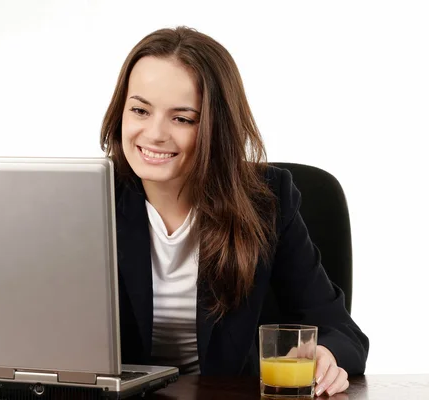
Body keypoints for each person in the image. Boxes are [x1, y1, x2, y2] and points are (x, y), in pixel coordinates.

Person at [99, 26, 369, 397]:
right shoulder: (90, 199)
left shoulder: (268, 200)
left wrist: (327, 354)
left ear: (216, 127)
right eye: (140, 110)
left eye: (183, 118)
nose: (155, 133)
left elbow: (342, 332)